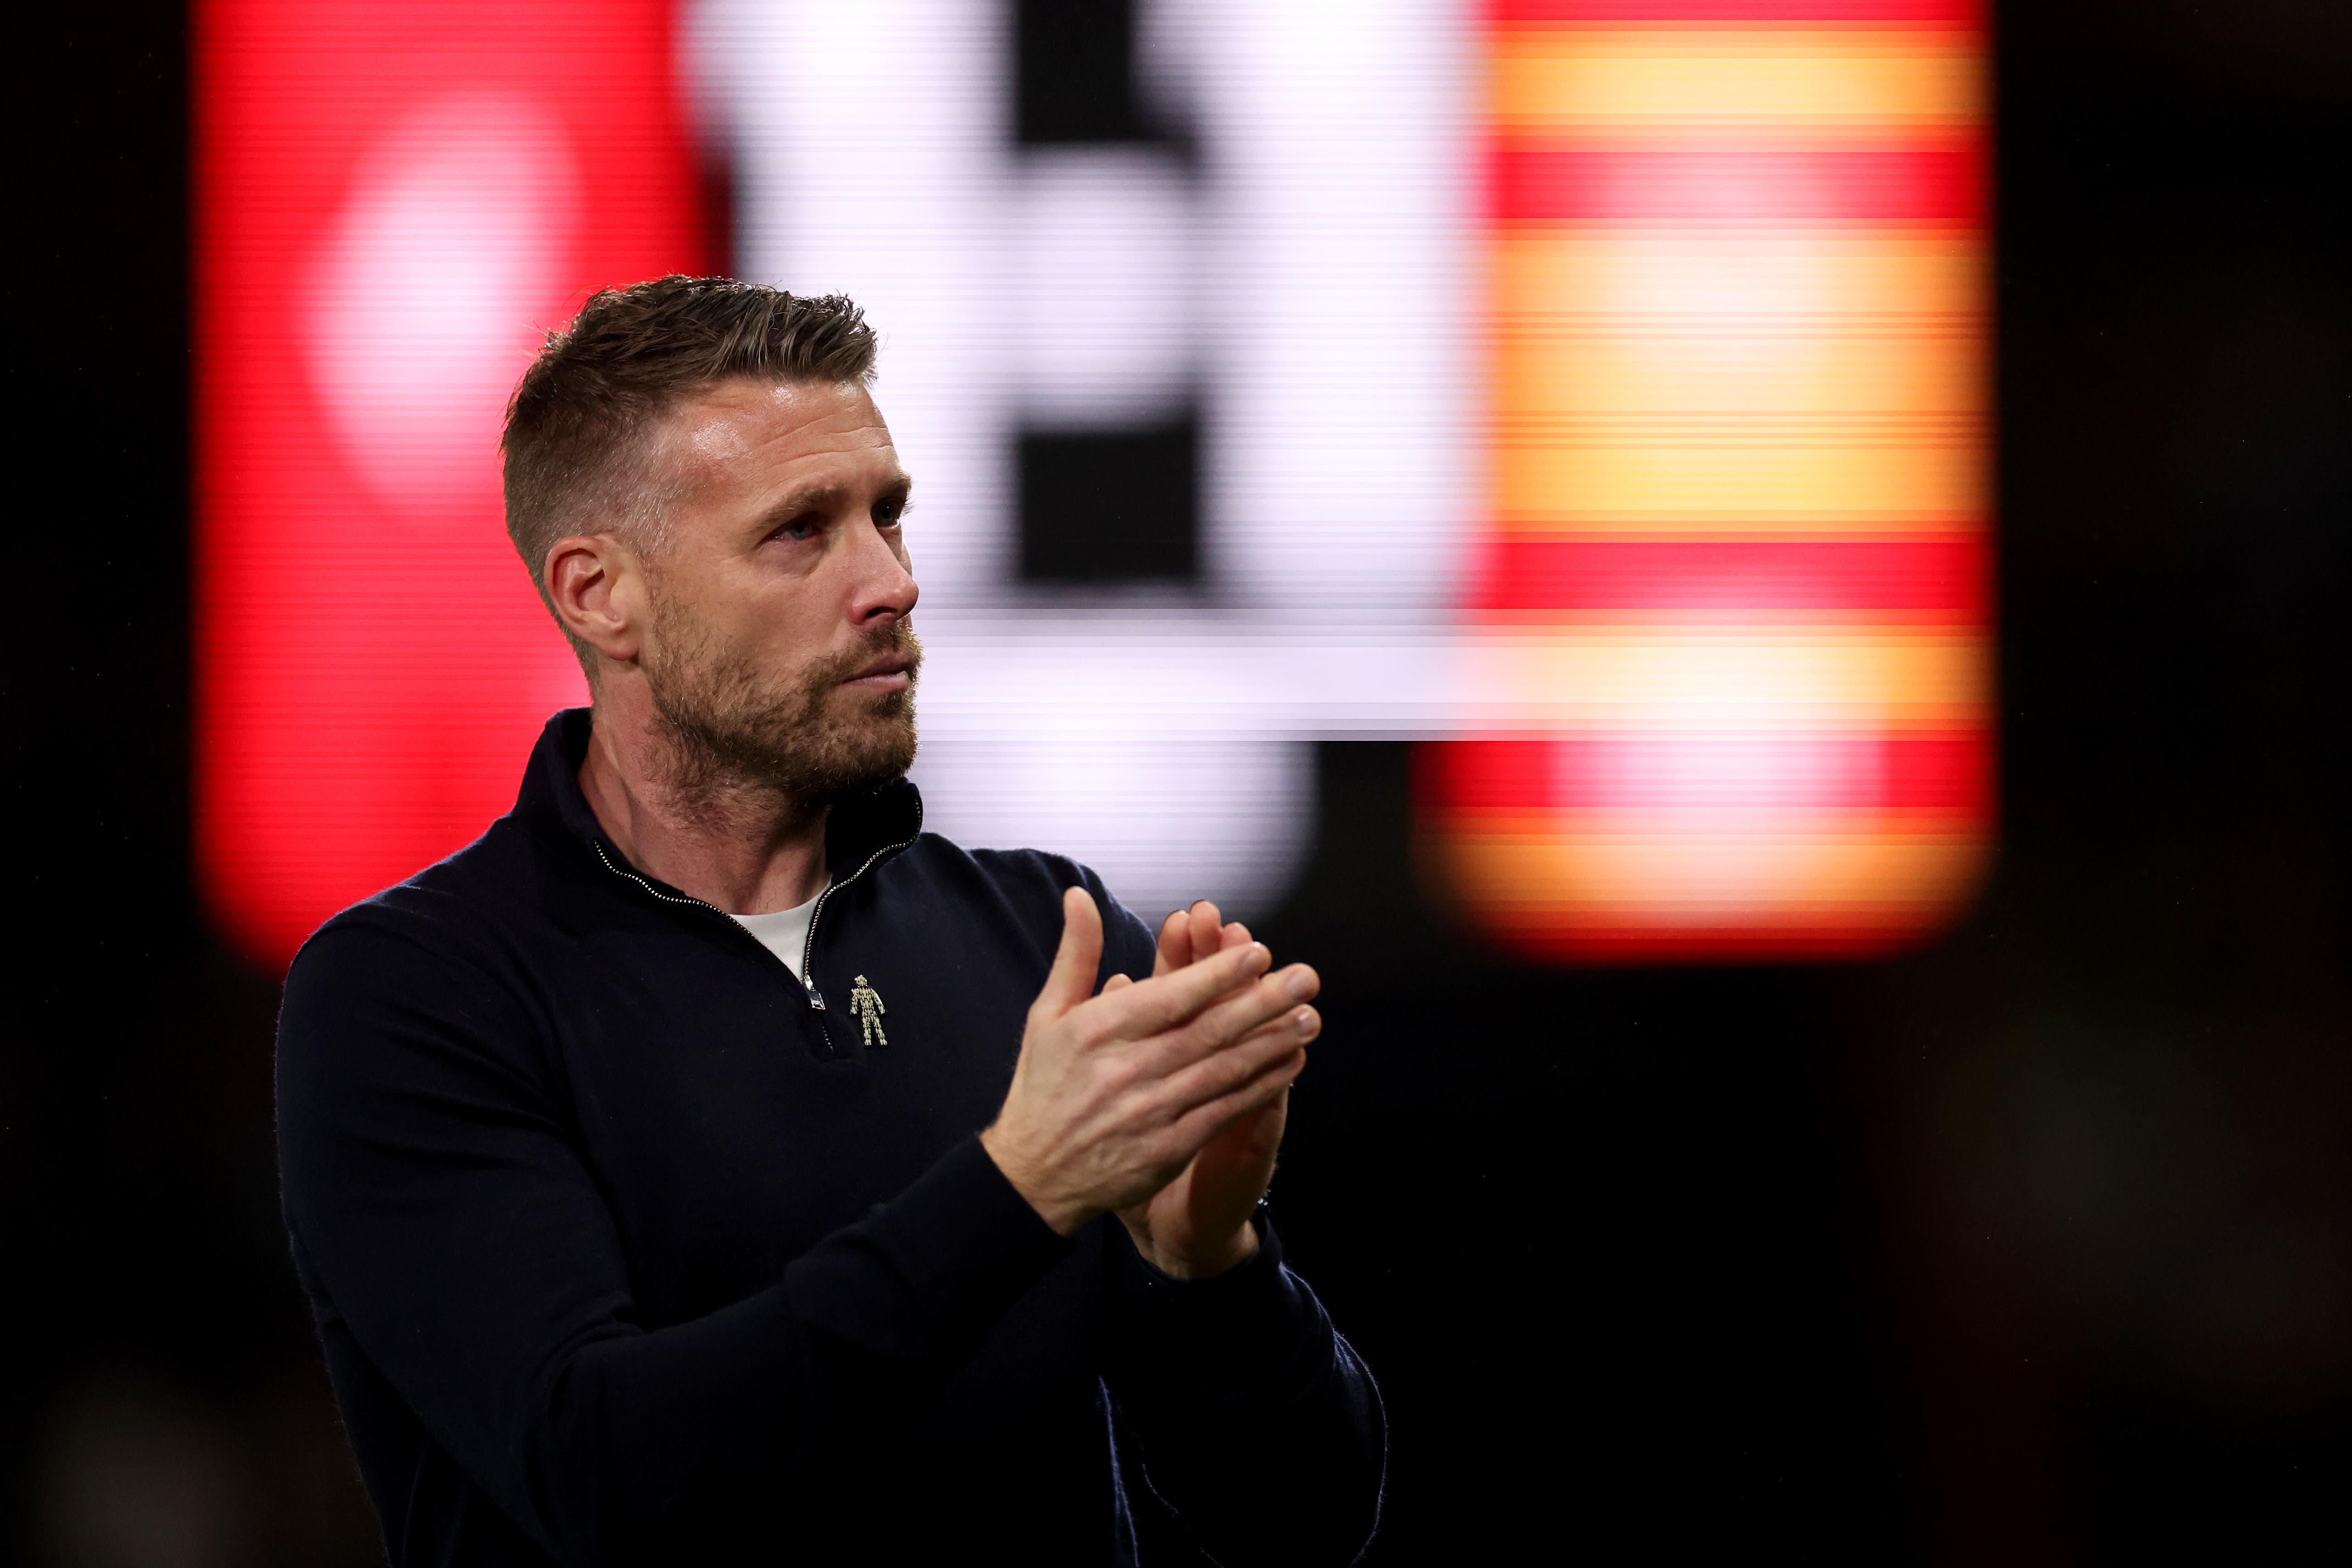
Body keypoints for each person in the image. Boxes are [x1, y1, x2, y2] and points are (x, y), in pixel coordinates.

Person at [274, 276, 1385, 1567]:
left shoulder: (1046, 941)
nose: (891, 584)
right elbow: (608, 1479)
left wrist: (1213, 1272)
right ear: (598, 595)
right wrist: (1018, 1184)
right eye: (799, 531)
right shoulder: (419, 992)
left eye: (887, 514)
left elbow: (1306, 1524)